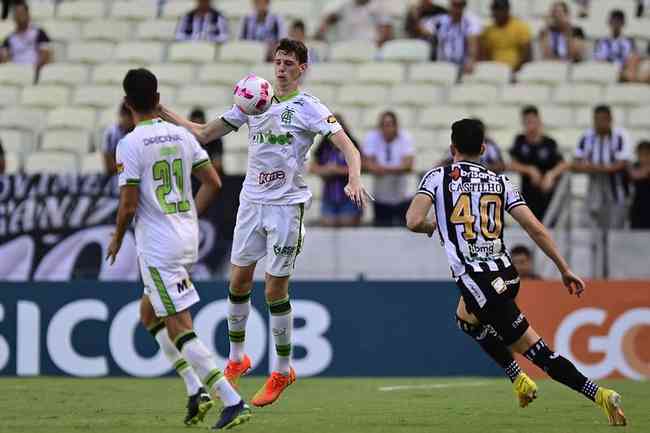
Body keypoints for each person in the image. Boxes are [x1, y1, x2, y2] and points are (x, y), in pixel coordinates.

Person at [160, 39, 367, 407]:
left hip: (286, 207)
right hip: (251, 203)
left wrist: (353, 178)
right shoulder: (255, 99)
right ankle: (238, 358)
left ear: (302, 68)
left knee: (273, 291)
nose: (281, 68)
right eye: (278, 61)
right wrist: (160, 109)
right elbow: (205, 134)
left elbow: (348, 147)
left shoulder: (309, 107)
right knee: (238, 281)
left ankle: (283, 369)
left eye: (289, 62)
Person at [406, 118, 626, 427]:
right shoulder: (500, 182)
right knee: (466, 320)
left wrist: (435, 225)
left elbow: (414, 221)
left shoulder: (438, 178)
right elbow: (535, 228)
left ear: (452, 148)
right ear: (483, 149)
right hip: (507, 274)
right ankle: (519, 380)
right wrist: (564, 268)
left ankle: (599, 394)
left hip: (479, 281)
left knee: (537, 352)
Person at [106, 68, 251, 430]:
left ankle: (230, 400)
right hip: (187, 237)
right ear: (158, 100)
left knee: (179, 324)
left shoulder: (129, 143)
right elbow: (213, 182)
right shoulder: (180, 135)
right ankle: (194, 389)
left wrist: (117, 237)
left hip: (158, 246)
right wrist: (187, 216)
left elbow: (127, 205)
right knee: (149, 314)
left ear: (127, 104)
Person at [572, 105, 632, 229]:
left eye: (602, 119)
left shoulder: (621, 136)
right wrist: (599, 168)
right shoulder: (587, 136)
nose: (599, 123)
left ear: (610, 119)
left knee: (615, 228)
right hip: (594, 189)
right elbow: (576, 162)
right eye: (596, 120)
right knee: (589, 224)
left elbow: (622, 164)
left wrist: (593, 167)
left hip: (617, 189)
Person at [509, 106, 567, 221]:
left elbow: (563, 164)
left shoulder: (549, 143)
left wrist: (551, 175)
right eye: (527, 122)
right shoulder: (520, 141)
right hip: (528, 196)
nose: (530, 126)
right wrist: (529, 170)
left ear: (539, 121)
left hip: (548, 195)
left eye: (533, 121)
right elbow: (512, 164)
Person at [363, 111, 415, 227]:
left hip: (403, 195)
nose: (387, 129)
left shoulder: (405, 137)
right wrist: (396, 169)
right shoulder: (372, 137)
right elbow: (367, 164)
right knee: (381, 232)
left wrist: (382, 169)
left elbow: (408, 165)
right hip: (381, 196)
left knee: (404, 230)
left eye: (390, 124)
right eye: (384, 125)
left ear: (396, 126)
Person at [310, 113, 362, 227]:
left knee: (347, 226)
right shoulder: (323, 147)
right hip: (329, 196)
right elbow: (313, 167)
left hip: (349, 197)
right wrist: (326, 170)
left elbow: (361, 166)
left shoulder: (351, 146)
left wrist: (337, 170)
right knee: (328, 226)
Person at [421, 0, 481, 75]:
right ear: (450, 5)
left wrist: (471, 59)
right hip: (443, 65)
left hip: (461, 65)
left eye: (460, 5)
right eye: (454, 5)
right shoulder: (440, 21)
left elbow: (473, 42)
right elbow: (423, 31)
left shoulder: (471, 21)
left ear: (464, 6)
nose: (457, 8)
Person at [0, 2, 51, 80]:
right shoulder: (9, 39)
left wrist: (35, 71)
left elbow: (45, 54)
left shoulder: (39, 33)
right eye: (17, 14)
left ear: (28, 15)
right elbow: (4, 58)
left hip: (34, 71)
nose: (20, 16)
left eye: (22, 13)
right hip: (15, 73)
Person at [479, 0, 532, 71]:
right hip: (494, 71)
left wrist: (515, 70)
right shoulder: (488, 30)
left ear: (507, 10)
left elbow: (527, 53)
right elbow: (485, 54)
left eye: (500, 9)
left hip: (516, 71)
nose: (497, 13)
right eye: (495, 9)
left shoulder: (520, 27)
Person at [594, 10, 644, 83]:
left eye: (618, 21)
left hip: (624, 70)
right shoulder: (601, 41)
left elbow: (632, 58)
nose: (616, 24)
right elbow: (599, 59)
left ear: (623, 23)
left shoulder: (630, 42)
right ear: (609, 22)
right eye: (613, 21)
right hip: (607, 70)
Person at [440, 118, 505, 174]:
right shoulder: (457, 145)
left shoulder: (490, 146)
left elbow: (500, 166)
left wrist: (482, 168)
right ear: (482, 149)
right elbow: (442, 163)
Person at [314, 0, 387, 44]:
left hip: (370, 47)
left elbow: (386, 32)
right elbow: (323, 26)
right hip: (344, 46)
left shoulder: (379, 6)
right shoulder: (342, 6)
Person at [102, 102, 135, 176]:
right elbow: (109, 168)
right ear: (122, 115)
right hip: (116, 176)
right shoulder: (111, 134)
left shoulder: (139, 133)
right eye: (130, 117)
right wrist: (128, 167)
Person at [189, 107, 224, 174]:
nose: (197, 132)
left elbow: (217, 164)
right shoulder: (186, 139)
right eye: (195, 126)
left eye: (199, 126)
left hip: (212, 175)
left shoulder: (215, 138)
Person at [628, 140, 650, 229]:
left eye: (646, 154)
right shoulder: (635, 166)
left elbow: (640, 175)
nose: (643, 157)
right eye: (640, 154)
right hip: (637, 207)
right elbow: (634, 176)